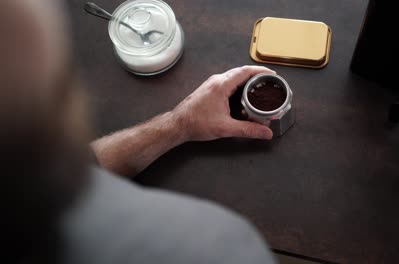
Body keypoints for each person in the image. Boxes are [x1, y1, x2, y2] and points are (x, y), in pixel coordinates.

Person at [0, 0, 276, 264]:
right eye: (63, 82)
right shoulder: (215, 248)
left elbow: (78, 166)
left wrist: (179, 123)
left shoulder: (31, 183)